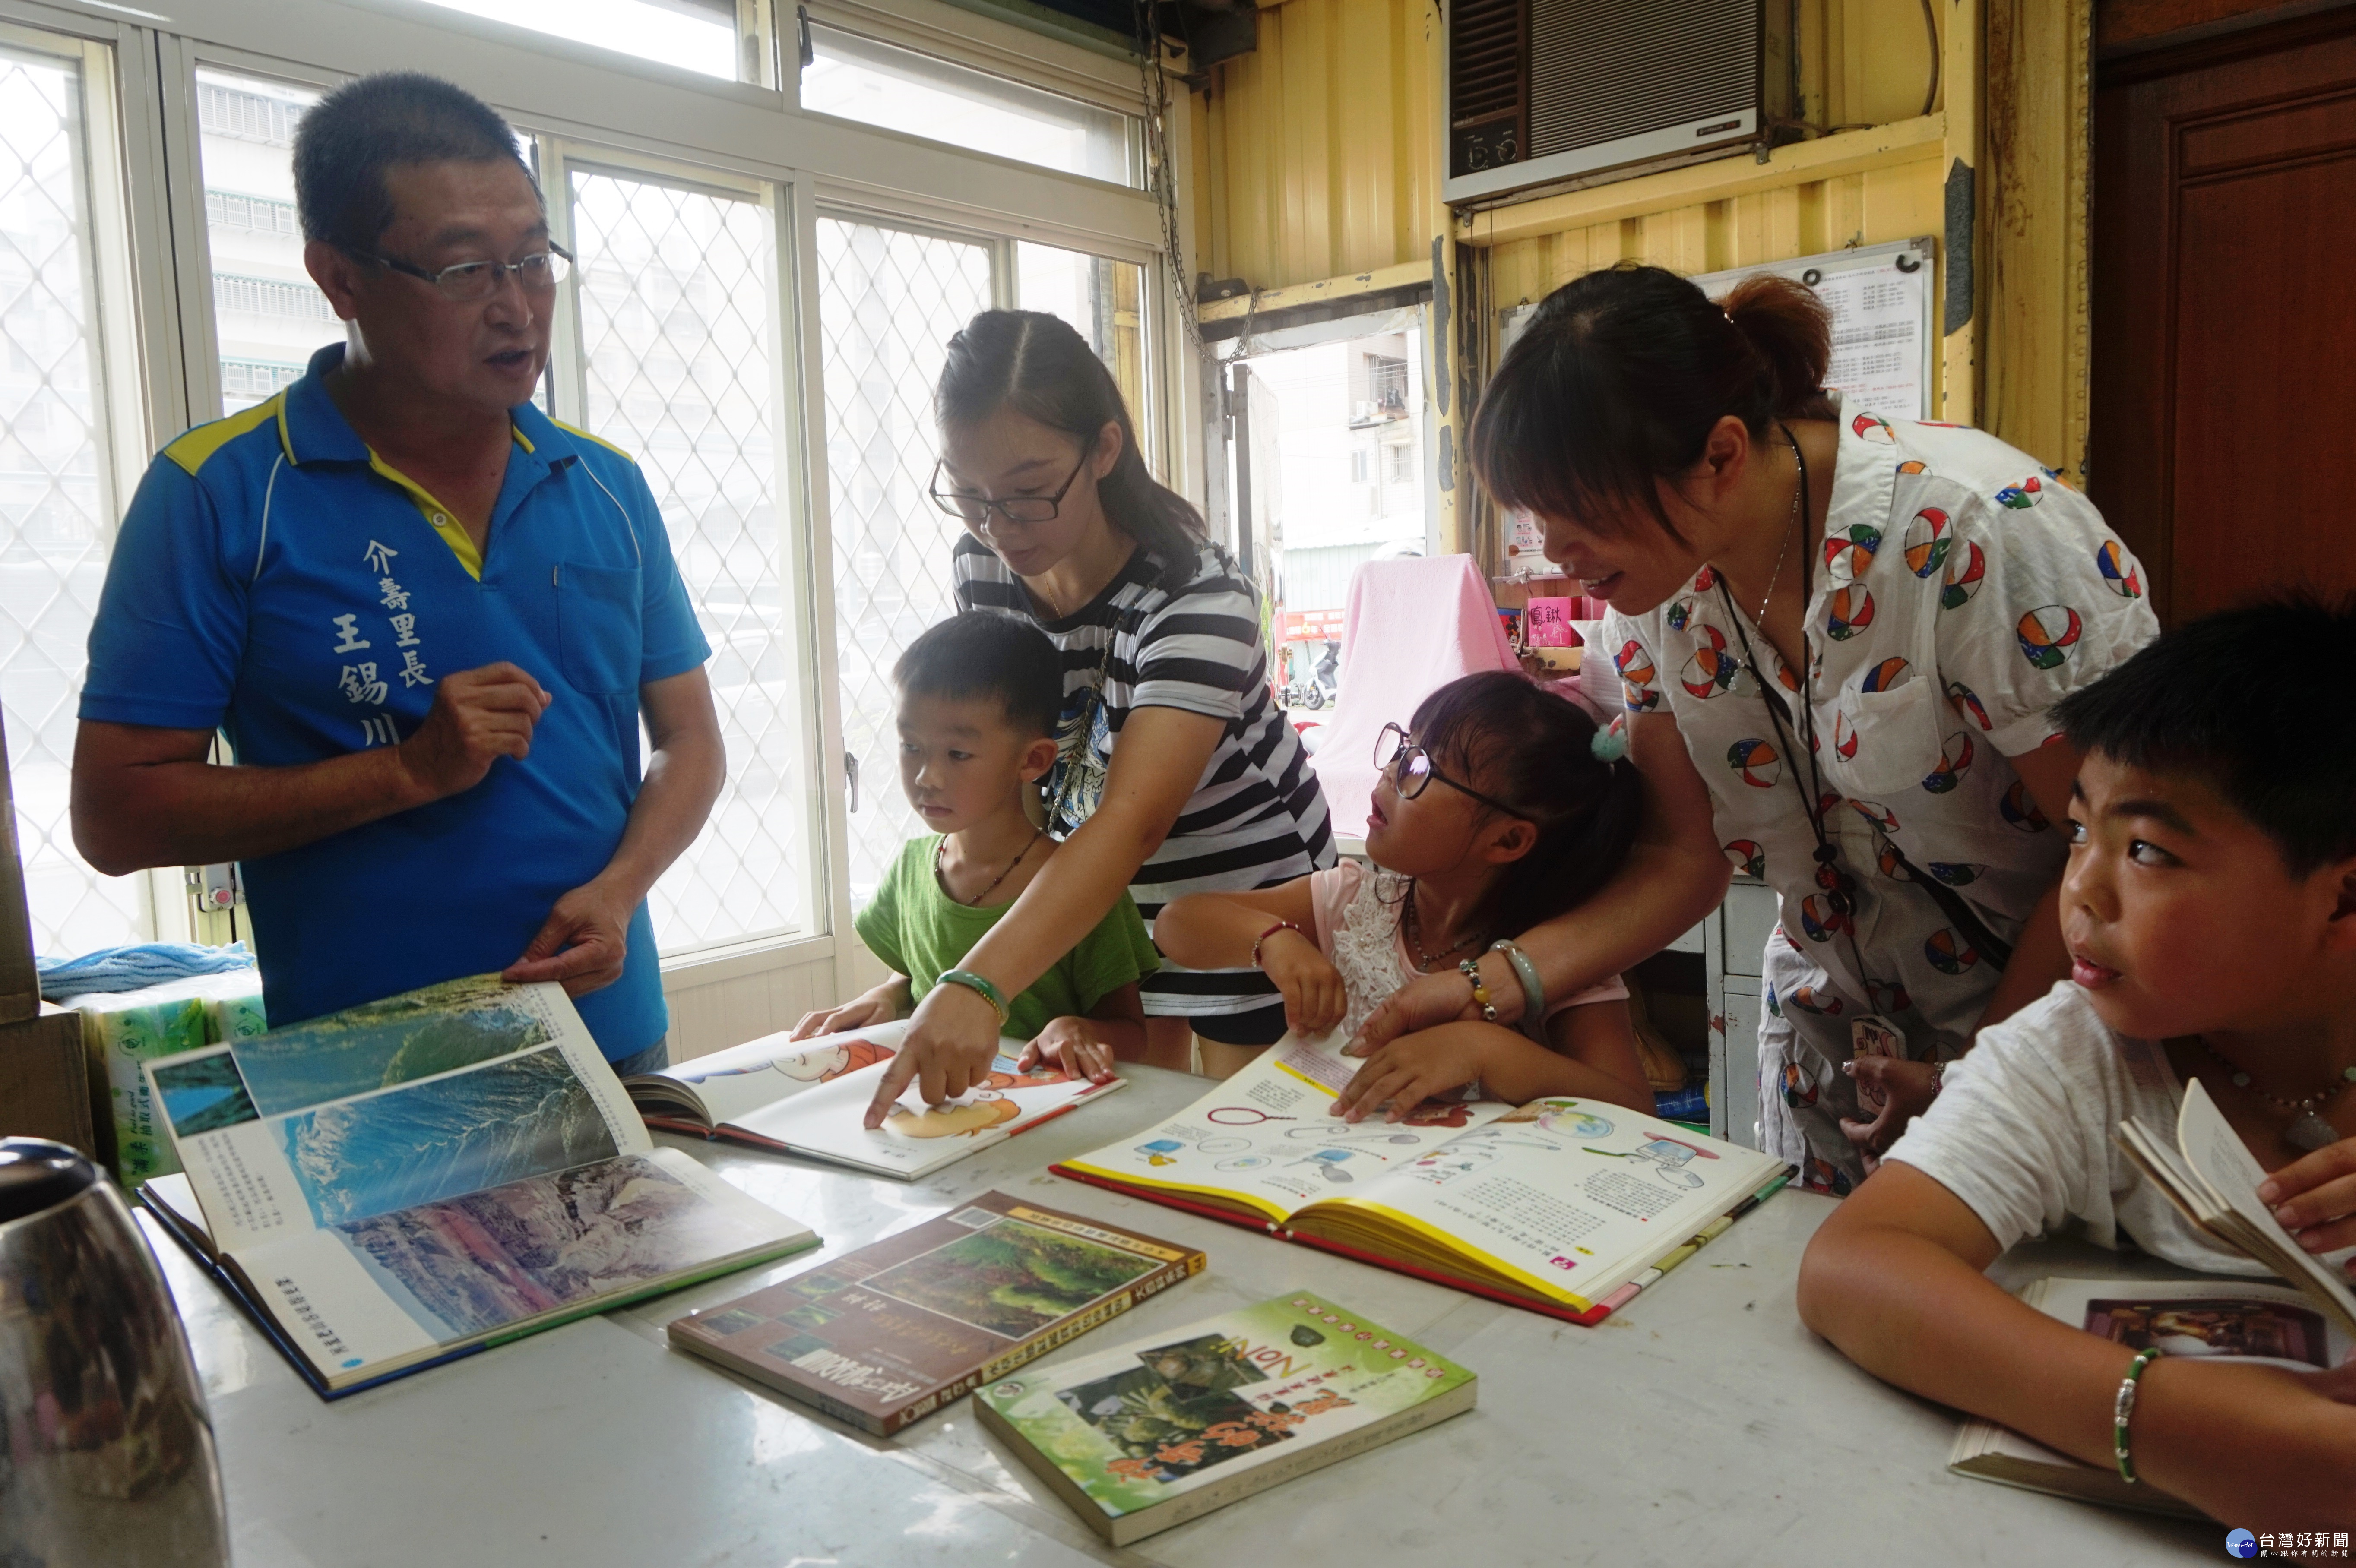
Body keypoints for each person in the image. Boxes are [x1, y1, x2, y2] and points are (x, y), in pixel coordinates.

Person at [1354, 263, 2159, 1194]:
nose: (1554, 553)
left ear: (1722, 454)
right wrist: (1482, 985)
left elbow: (2115, 854)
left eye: (1577, 516)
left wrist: (1975, 1077)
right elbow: (1676, 859)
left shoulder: (1974, 534)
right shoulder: (1653, 601)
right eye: (1538, 518)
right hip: (1833, 1047)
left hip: (2044, 1045)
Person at [69, 73, 720, 1072]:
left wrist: (623, 885)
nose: (517, 308)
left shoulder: (607, 486)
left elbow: (689, 741)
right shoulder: (220, 492)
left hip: (611, 1036)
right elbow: (115, 813)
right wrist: (409, 770)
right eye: (464, 270)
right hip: (370, 1076)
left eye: (534, 260)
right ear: (339, 278)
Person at [1797, 596, 2356, 1527]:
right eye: (2077, 832)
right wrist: (2165, 1419)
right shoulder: (2078, 1052)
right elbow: (1857, 1265)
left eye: (2145, 850)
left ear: (2340, 900)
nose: (2080, 892)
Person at [859, 310, 1334, 1125]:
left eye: (1028, 492)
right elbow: (1012, 752)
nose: (998, 526)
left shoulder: (1199, 598)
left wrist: (977, 981)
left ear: (1103, 451)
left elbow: (1132, 821)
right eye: (969, 494)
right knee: (1107, 1143)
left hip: (1239, 902)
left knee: (1244, 1143)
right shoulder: (984, 561)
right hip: (1095, 914)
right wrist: (918, 981)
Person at [1155, 671, 1652, 1119]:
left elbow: (1633, 1113)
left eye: (1422, 768)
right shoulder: (1354, 899)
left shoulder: (1554, 958)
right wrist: (1271, 939)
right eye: (1402, 749)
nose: (1391, 772)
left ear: (1506, 840)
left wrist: (1486, 1051)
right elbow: (1178, 925)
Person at [788, 613, 1158, 1082]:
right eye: (910, 746)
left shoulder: (1080, 887)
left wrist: (1075, 1027)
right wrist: (887, 996)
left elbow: (1133, 1033)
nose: (927, 777)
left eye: (957, 754)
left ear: (1033, 760)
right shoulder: (909, 870)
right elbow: (919, 983)